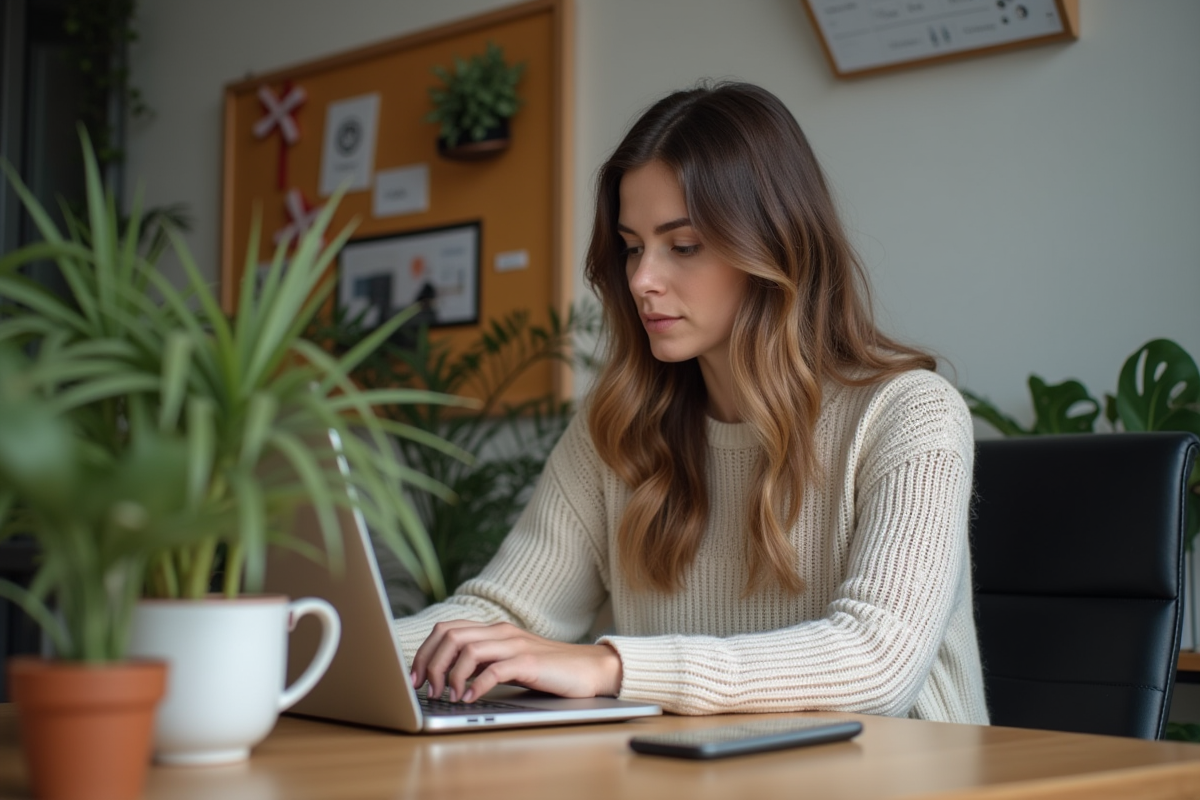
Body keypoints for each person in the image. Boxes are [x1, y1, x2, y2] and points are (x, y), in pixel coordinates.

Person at [394, 81, 989, 724]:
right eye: (630, 247)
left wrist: (611, 667)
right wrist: (313, 642)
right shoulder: (617, 429)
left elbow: (877, 662)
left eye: (683, 246)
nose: (642, 280)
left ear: (774, 246)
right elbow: (503, 615)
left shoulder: (910, 415)